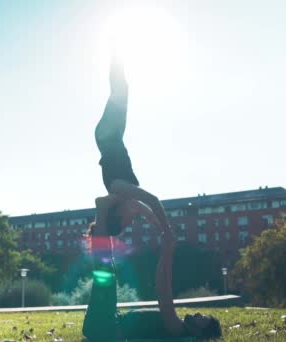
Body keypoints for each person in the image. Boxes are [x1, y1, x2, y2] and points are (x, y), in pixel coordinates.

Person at [82, 221, 222, 341]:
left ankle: (101, 221)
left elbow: (163, 292)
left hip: (105, 327)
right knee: (107, 269)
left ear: (200, 334)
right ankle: (102, 227)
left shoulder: (177, 328)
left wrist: (167, 250)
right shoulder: (178, 326)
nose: (198, 314)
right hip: (107, 322)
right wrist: (167, 253)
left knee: (106, 271)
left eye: (202, 319)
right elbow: (165, 284)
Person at [93, 54, 171, 237]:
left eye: (126, 223)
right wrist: (160, 227)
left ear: (119, 217)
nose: (131, 220)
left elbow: (153, 200)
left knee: (120, 90)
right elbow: (149, 212)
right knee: (121, 90)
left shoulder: (118, 189)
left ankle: (115, 52)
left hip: (107, 135)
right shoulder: (127, 199)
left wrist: (168, 232)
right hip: (114, 136)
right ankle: (116, 54)